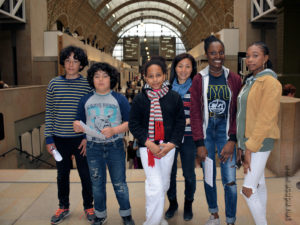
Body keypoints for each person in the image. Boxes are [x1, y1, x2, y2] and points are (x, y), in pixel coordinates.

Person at [73, 62, 135, 225]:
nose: (101, 80)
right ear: (92, 79)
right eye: (97, 76)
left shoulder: (119, 99)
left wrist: (114, 130)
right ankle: (100, 215)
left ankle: (126, 213)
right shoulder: (85, 99)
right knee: (97, 184)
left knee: (119, 183)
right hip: (94, 148)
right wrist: (78, 127)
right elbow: (78, 122)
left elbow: (130, 122)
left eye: (105, 76)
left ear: (112, 79)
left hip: (115, 146)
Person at [190, 35, 242, 225]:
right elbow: (195, 112)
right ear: (206, 55)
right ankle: (214, 214)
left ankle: (230, 219)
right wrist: (200, 143)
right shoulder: (199, 79)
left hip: (226, 134)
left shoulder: (234, 79)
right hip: (206, 136)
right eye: (213, 53)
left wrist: (233, 139)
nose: (217, 56)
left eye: (220, 52)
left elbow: (238, 112)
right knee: (209, 177)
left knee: (230, 181)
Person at [129, 56, 185, 225]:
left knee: (163, 184)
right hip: (148, 149)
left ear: (165, 75)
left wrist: (172, 144)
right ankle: (152, 222)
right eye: (151, 76)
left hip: (168, 147)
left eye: (158, 75)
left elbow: (180, 122)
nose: (155, 80)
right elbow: (134, 124)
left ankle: (157, 218)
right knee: (156, 186)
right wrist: (148, 143)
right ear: (145, 77)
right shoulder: (140, 99)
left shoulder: (174, 97)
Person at [44, 45, 95, 224]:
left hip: (80, 140)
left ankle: (89, 206)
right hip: (59, 140)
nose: (71, 64)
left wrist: (86, 137)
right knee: (62, 175)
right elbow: (49, 112)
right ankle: (63, 206)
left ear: (81, 64)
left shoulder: (87, 84)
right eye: (67, 61)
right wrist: (49, 138)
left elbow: (91, 114)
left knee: (85, 174)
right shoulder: (54, 84)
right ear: (63, 63)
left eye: (75, 61)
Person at [237, 41, 281, 225]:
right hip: (248, 141)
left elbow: (265, 119)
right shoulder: (250, 81)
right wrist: (241, 145)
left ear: (266, 58)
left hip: (259, 143)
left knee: (247, 190)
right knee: (259, 184)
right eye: (248, 56)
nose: (250, 59)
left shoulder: (270, 82)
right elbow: (243, 116)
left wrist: (249, 148)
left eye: (255, 55)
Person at [165, 53, 198, 221]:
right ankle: (172, 203)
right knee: (169, 174)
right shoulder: (166, 87)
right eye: (180, 66)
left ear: (193, 69)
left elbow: (201, 113)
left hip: (189, 137)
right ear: (174, 68)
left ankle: (188, 203)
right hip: (170, 138)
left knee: (189, 174)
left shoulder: (197, 87)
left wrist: (186, 120)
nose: (183, 70)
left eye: (188, 66)